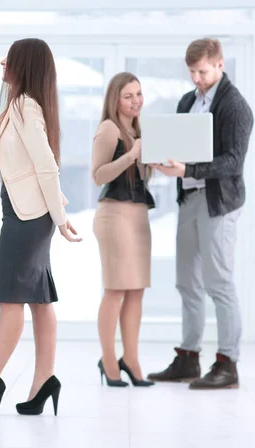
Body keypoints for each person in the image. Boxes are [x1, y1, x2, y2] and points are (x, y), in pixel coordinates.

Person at [0, 38, 81, 419]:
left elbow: (45, 165)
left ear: (22, 64)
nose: (1, 64)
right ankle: (44, 380)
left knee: (11, 300)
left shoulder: (26, 105)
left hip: (29, 217)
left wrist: (59, 220)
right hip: (25, 210)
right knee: (38, 299)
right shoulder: (17, 104)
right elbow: (17, 161)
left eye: (8, 59)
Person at [148, 38, 253, 389]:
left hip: (218, 204)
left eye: (203, 71)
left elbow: (233, 162)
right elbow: (181, 147)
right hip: (189, 199)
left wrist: (188, 169)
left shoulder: (235, 106)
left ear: (220, 65)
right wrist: (167, 162)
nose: (196, 79)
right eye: (191, 72)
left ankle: (228, 363)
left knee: (218, 283)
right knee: (186, 282)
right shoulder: (187, 101)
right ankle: (188, 358)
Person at [91, 72, 155, 388]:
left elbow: (141, 178)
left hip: (139, 217)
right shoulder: (109, 129)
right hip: (114, 217)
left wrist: (153, 161)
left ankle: (131, 359)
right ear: (115, 99)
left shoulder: (139, 129)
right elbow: (98, 175)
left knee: (136, 290)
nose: (136, 101)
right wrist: (131, 155)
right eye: (128, 95)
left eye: (139, 94)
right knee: (115, 289)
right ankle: (109, 361)